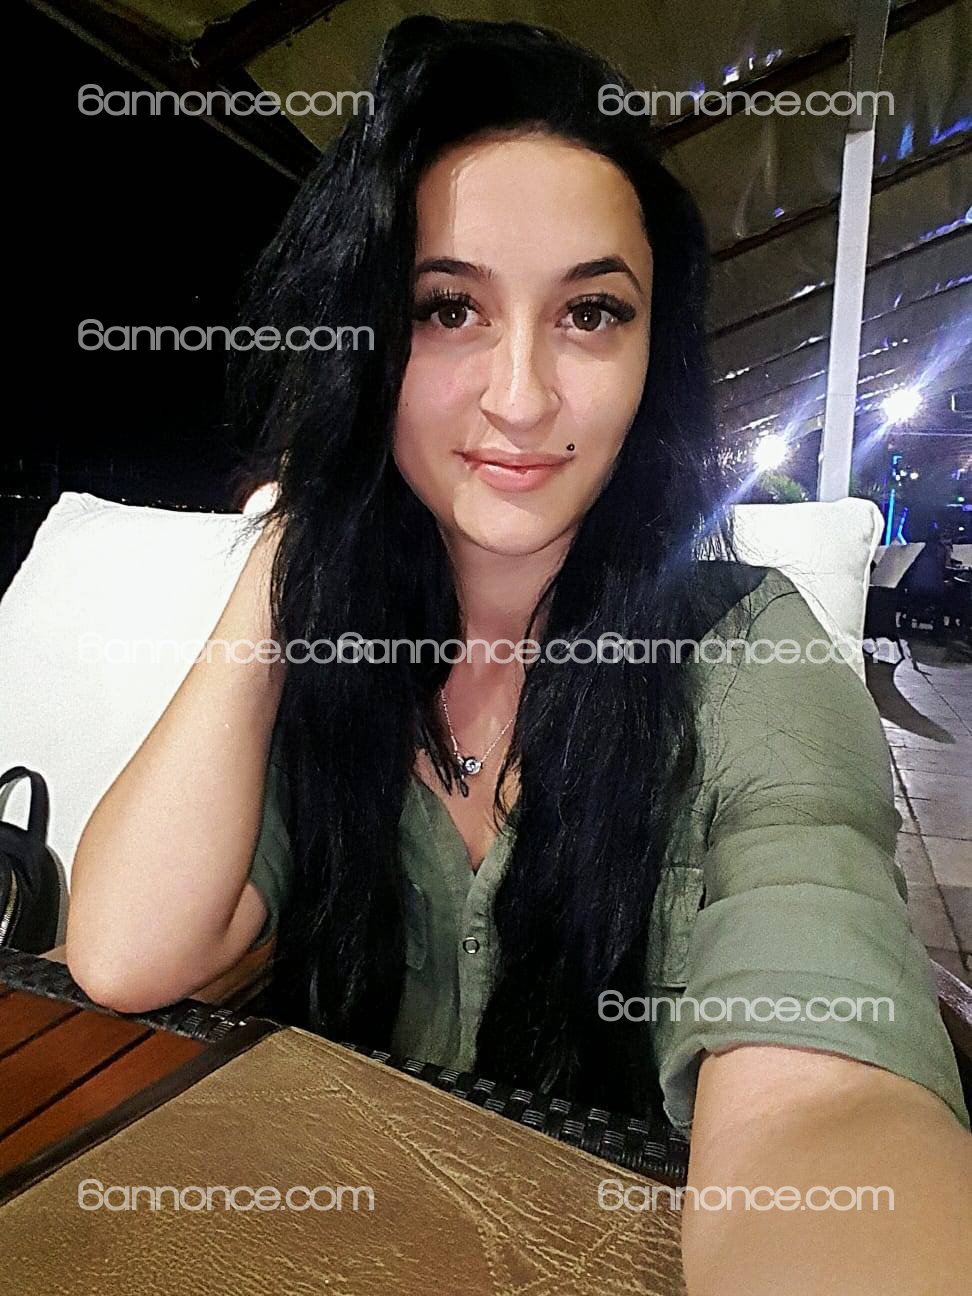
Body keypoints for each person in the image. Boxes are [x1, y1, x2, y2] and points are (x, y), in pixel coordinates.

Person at [66, 16, 970, 1293]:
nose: (524, 396)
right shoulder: (332, 639)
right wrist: (292, 543)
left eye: (591, 313)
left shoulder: (747, 656)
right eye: (448, 309)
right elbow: (126, 954)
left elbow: (826, 1099)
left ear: (653, 356)